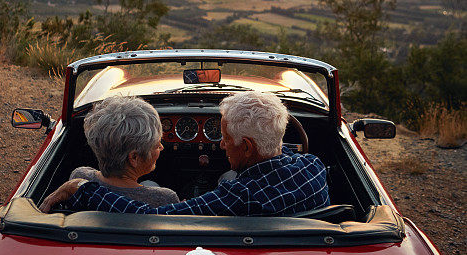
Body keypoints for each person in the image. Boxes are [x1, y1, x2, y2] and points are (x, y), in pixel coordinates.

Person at [41, 91, 329, 215]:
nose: (219, 145)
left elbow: (151, 216)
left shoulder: (233, 196)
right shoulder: (314, 167)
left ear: (247, 147)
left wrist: (83, 186)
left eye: (226, 138)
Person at [63, 96, 179, 206]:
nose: (162, 147)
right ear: (134, 158)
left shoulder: (80, 178)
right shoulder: (164, 199)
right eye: (157, 144)